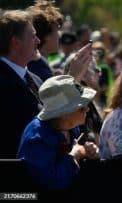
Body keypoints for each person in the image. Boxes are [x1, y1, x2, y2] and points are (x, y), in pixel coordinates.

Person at [17, 75, 98, 190]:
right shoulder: (37, 137)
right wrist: (74, 156)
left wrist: (88, 150)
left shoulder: (71, 127)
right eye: (81, 107)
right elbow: (52, 182)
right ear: (64, 113)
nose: (87, 109)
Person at [0, 10, 41, 158]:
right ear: (15, 43)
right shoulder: (3, 83)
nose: (38, 41)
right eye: (32, 36)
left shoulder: (35, 79)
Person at [26, 0, 63, 81]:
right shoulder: (41, 71)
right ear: (47, 36)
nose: (59, 36)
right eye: (56, 31)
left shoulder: (33, 64)